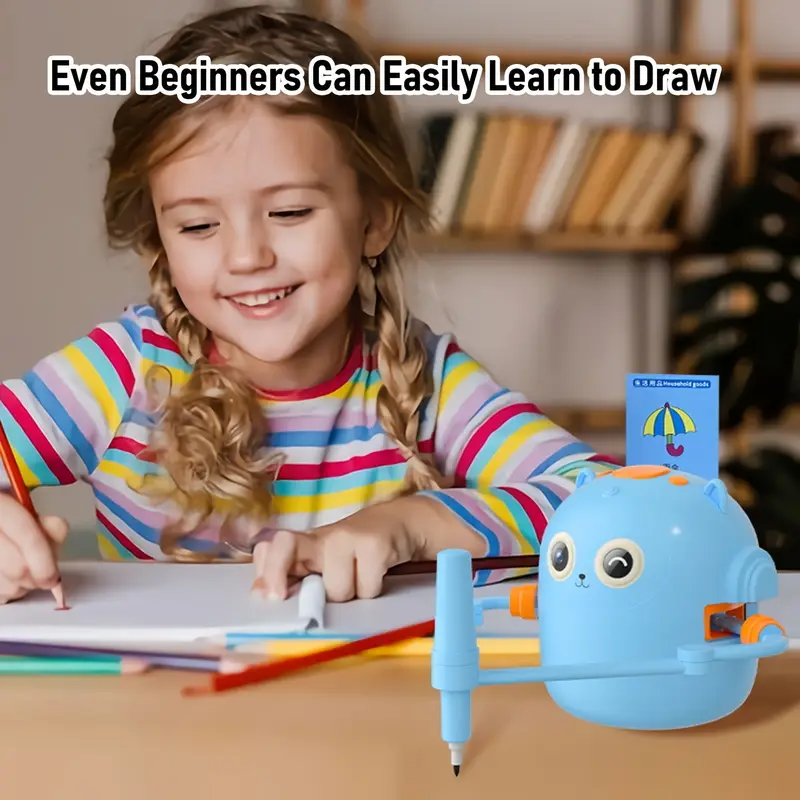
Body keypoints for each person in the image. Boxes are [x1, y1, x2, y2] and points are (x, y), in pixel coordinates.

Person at [0, 5, 618, 605]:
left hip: (358, 706)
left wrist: (411, 523)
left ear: (374, 220)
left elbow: (609, 498)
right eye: (196, 225)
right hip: (153, 706)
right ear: (157, 240)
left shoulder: (427, 382)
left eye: (290, 212)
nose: (247, 257)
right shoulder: (122, 372)